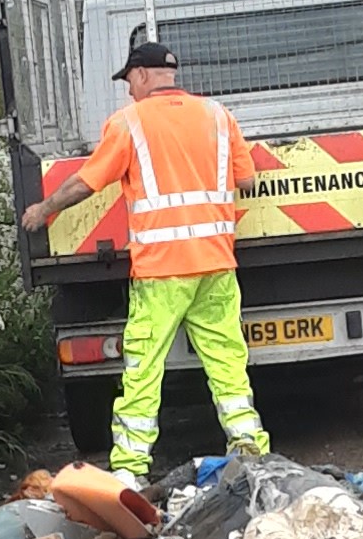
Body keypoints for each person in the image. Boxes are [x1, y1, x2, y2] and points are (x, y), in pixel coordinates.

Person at [20, 41, 273, 485]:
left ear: (140, 75)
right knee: (228, 364)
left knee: (143, 370)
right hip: (215, 265)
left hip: (161, 271)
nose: (128, 91)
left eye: (128, 82)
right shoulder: (218, 116)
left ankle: (131, 469)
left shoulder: (128, 124)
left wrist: (45, 210)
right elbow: (247, 179)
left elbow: (87, 182)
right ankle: (250, 451)